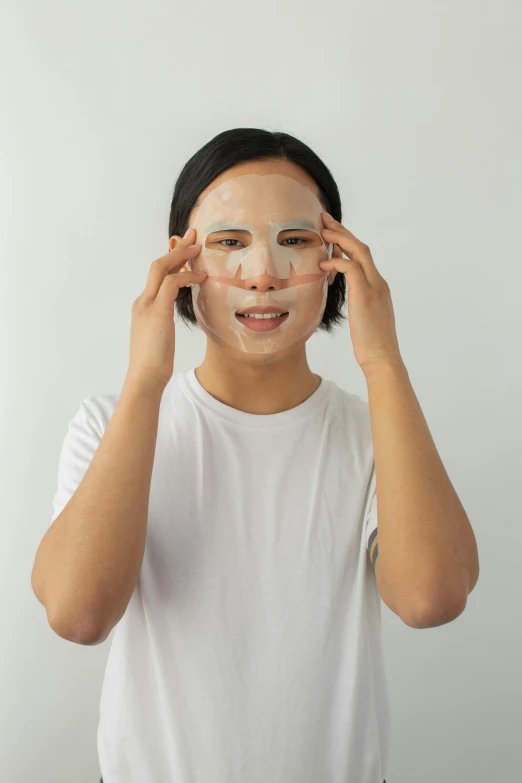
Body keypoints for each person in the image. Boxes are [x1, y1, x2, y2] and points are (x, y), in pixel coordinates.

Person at [34, 126, 476, 783]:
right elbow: (78, 612)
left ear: (337, 258)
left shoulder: (378, 435)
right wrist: (145, 382)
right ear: (182, 264)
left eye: (294, 241)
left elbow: (430, 596)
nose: (263, 273)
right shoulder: (111, 424)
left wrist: (383, 361)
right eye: (229, 242)